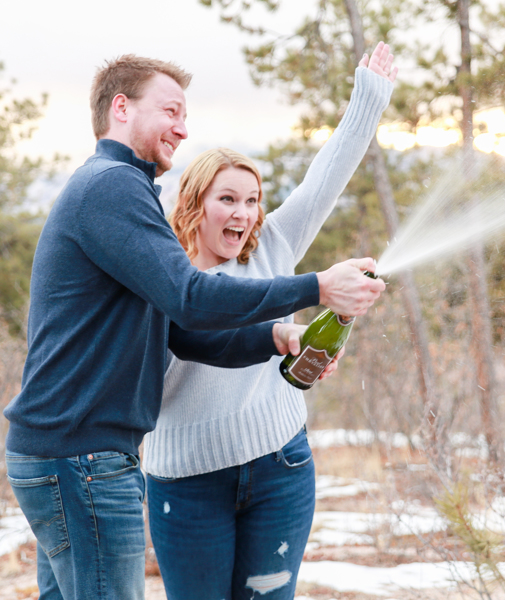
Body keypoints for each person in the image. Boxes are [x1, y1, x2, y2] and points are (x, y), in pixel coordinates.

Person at [3, 54, 386, 600]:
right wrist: (317, 287)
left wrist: (279, 336)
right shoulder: (115, 186)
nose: (183, 127)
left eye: (251, 200)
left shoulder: (118, 192)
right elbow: (191, 301)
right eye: (170, 110)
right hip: (85, 458)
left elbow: (180, 333)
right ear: (121, 108)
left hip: (73, 453)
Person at [144, 43, 397, 600]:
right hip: (185, 484)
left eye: (252, 200)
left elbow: (326, 176)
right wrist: (281, 334)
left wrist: (369, 100)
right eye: (227, 199)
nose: (242, 213)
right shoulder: (161, 273)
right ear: (195, 204)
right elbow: (198, 336)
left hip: (280, 466)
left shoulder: (273, 246)